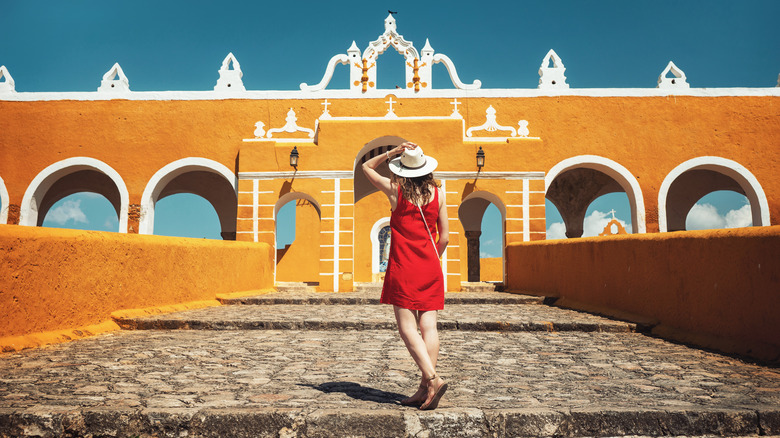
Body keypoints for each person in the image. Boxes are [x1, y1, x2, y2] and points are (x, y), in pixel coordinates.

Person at [362, 141, 449, 410]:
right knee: (429, 327)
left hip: (404, 266)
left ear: (403, 170)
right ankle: (425, 389)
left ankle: (433, 378)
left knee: (407, 328)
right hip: (431, 265)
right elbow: (444, 237)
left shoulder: (395, 191)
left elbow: (365, 166)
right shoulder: (439, 193)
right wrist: (430, 257)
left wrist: (392, 153)